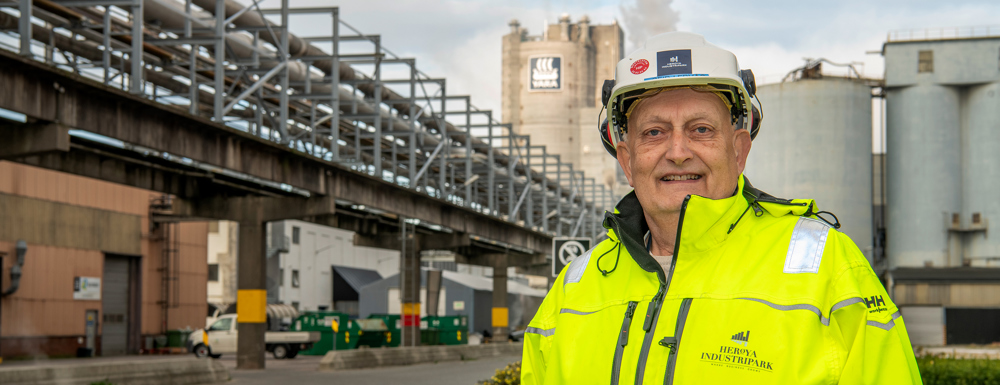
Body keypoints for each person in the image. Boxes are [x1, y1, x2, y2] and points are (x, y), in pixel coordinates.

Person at [521, 31, 922, 384]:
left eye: (701, 130)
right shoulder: (572, 291)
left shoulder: (828, 269)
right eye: (654, 132)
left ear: (739, 150)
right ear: (627, 161)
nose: (677, 153)